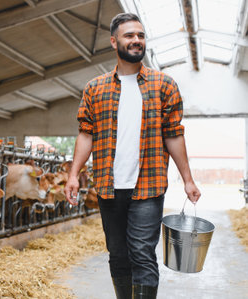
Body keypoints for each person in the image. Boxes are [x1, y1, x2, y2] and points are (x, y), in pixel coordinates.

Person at [64, 12, 201, 299]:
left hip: (148, 186)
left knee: (142, 252)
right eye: (129, 35)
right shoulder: (95, 87)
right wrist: (73, 175)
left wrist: (188, 179)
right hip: (108, 185)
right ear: (114, 42)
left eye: (140, 35)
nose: (136, 40)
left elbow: (173, 134)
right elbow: (86, 133)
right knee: (117, 254)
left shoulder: (164, 85)